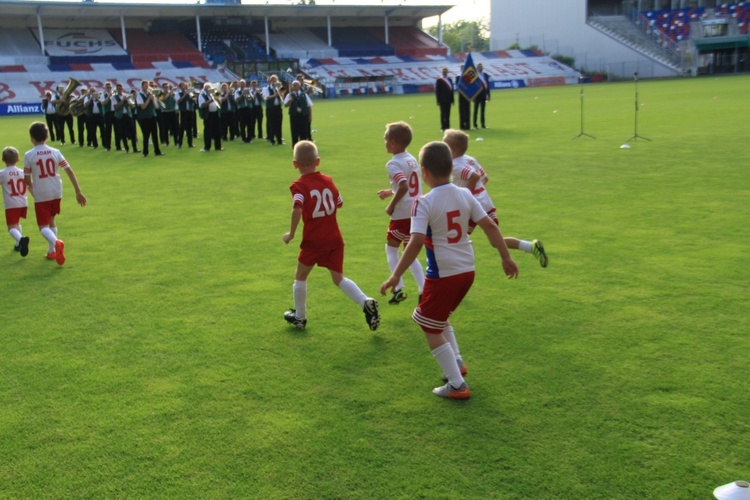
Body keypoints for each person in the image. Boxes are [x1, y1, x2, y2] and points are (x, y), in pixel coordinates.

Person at [380, 141, 519, 399]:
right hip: (468, 270)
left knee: (427, 324)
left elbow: (416, 241)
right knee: (439, 318)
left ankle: (456, 384)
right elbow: (489, 225)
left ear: (424, 172)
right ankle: (457, 362)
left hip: (444, 274)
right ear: (451, 169)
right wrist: (505, 256)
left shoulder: (423, 203)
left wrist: (396, 274)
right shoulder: (465, 194)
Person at [282, 140, 381, 331]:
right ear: (317, 161)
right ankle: (365, 301)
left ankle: (300, 317)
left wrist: (291, 233)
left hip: (314, 240)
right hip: (334, 238)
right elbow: (339, 202)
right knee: (339, 278)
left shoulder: (299, 186)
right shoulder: (328, 180)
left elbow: (297, 208)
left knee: (300, 276)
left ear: (295, 164)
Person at [443, 129, 548, 267]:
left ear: (453, 151)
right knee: (495, 241)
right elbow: (484, 178)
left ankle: (458, 265)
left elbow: (473, 177)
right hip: (485, 203)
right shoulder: (470, 159)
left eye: (444, 147)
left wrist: (466, 195)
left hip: (471, 207)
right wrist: (478, 192)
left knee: (456, 236)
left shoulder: (455, 165)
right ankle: (531, 247)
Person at [23, 122, 87, 265]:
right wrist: (78, 191)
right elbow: (69, 171)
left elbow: (27, 179)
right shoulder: (55, 152)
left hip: (42, 192)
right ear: (47, 136)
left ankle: (56, 243)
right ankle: (51, 251)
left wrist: (32, 188)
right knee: (51, 219)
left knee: (43, 227)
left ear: (32, 138)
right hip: (57, 191)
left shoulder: (29, 155)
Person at [377, 121, 425, 305]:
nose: (384, 142)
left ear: (394, 142)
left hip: (402, 213)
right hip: (416, 210)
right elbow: (411, 185)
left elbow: (404, 186)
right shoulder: (411, 159)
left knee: (391, 249)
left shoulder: (393, 163)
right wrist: (389, 191)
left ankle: (398, 288)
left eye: (386, 139)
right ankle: (422, 289)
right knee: (409, 251)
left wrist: (391, 204)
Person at [1, 147, 30, 257]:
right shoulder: (22, 172)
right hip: (23, 202)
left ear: (2, 159)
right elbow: (29, 184)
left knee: (11, 228)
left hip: (11, 204)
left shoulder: (3, 173)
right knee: (17, 223)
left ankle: (21, 239)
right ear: (18, 159)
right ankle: (18, 244)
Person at [136, 80, 164, 157]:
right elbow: (143, 107)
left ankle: (157, 151)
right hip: (144, 117)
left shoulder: (150, 94)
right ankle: (145, 152)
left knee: (155, 135)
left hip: (152, 116)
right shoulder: (139, 95)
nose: (147, 87)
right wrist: (149, 99)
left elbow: (155, 106)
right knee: (146, 135)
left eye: (147, 86)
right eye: (145, 86)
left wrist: (153, 99)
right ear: (142, 87)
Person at [283, 80, 313, 147]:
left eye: (295, 85)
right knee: (294, 132)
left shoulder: (304, 95)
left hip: (303, 116)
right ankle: (295, 147)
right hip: (294, 116)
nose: (294, 86)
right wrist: (289, 102)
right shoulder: (289, 95)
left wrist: (310, 116)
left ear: (299, 86)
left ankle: (303, 147)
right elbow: (285, 105)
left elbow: (309, 105)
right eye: (293, 85)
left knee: (303, 132)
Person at [112, 83, 139, 153]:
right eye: (119, 88)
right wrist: (123, 100)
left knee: (132, 132)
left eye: (121, 88)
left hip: (128, 115)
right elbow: (116, 107)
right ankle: (126, 148)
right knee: (123, 132)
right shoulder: (114, 97)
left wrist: (130, 101)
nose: (120, 89)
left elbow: (132, 106)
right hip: (120, 116)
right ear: (117, 89)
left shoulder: (126, 96)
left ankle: (135, 148)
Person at [198, 82, 222, 152]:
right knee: (207, 131)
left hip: (215, 113)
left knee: (217, 130)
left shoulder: (216, 93)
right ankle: (207, 147)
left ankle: (218, 147)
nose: (208, 90)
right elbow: (202, 105)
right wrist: (211, 100)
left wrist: (215, 97)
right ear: (204, 89)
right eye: (206, 89)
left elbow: (220, 104)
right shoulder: (202, 95)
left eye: (209, 88)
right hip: (208, 114)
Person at [263, 75, 284, 146]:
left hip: (278, 107)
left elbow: (282, 97)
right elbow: (266, 97)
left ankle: (279, 140)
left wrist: (280, 90)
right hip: (270, 108)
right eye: (273, 81)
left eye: (275, 80)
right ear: (271, 81)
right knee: (271, 124)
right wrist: (275, 95)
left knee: (279, 124)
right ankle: (272, 140)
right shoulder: (266, 88)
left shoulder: (279, 87)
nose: (274, 82)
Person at [176, 82, 196, 149]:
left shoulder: (190, 93)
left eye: (186, 86)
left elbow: (195, 101)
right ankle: (179, 143)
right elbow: (178, 101)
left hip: (190, 111)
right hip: (183, 112)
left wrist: (191, 96)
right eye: (183, 86)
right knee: (182, 128)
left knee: (190, 128)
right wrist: (185, 95)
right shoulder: (178, 94)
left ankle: (190, 143)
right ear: (181, 87)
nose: (185, 88)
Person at [435, 67, 454, 131]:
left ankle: (448, 126)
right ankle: (443, 127)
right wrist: (438, 100)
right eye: (443, 71)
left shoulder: (450, 80)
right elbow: (437, 91)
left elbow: (452, 90)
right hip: (442, 100)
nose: (445, 72)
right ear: (442, 72)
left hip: (448, 100)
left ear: (447, 72)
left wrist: (452, 99)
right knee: (443, 114)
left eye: (446, 71)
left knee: (448, 114)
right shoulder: (439, 80)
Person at [473, 63, 490, 129]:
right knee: (476, 110)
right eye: (479, 67)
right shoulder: (475, 75)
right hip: (477, 95)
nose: (480, 68)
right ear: (477, 68)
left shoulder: (485, 75)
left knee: (483, 110)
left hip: (483, 95)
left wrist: (488, 95)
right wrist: (473, 96)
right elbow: (473, 86)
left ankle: (483, 124)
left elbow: (487, 86)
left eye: (481, 67)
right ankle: (475, 125)